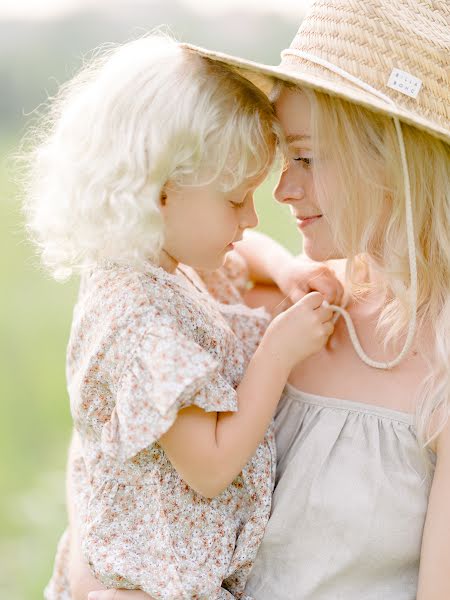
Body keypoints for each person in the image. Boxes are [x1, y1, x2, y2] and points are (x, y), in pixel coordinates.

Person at [70, 0, 450, 598]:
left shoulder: (437, 372)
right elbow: (107, 467)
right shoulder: (267, 310)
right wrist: (93, 581)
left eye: (303, 156)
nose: (281, 190)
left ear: (394, 160)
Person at [22, 34, 343, 600]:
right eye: (235, 199)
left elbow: (237, 256)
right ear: (162, 191)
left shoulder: (155, 260)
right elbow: (211, 465)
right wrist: (277, 353)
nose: (250, 219)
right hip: (153, 587)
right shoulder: (140, 323)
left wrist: (285, 269)